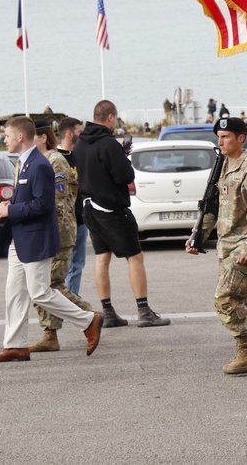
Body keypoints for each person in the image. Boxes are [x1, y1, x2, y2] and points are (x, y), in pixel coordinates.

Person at [0, 116, 101, 362]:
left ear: (20, 137)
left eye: (7, 136)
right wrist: (12, 203)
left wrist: (11, 210)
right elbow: (31, 199)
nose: (3, 139)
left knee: (39, 292)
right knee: (14, 292)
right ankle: (15, 345)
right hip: (20, 239)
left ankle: (89, 320)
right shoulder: (25, 162)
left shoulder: (41, 164)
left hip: (36, 239)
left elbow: (43, 204)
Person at [75, 100, 171, 328]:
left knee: (102, 258)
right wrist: (123, 156)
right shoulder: (108, 143)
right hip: (111, 208)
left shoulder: (80, 143)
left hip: (89, 206)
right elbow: (124, 176)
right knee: (135, 257)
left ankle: (107, 311)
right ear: (110, 117)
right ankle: (144, 310)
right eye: (115, 118)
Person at [186, 118, 247, 374]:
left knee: (225, 300)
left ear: (241, 138)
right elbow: (212, 206)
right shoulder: (222, 165)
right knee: (239, 301)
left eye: (226, 137)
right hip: (225, 243)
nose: (220, 142)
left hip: (243, 243)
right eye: (219, 137)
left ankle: (245, 350)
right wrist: (197, 235)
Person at [27, 121, 93, 352]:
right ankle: (50, 334)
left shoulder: (55, 162)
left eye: (30, 136)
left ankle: (90, 316)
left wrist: (51, 235)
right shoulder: (35, 161)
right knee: (45, 285)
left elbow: (60, 204)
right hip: (44, 233)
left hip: (58, 233)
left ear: (43, 138)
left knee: (51, 284)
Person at [56, 117, 89, 297]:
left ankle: (72, 299)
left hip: (80, 218)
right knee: (61, 264)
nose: (82, 134)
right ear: (70, 133)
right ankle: (63, 301)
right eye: (79, 131)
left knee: (77, 264)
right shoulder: (55, 158)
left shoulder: (81, 155)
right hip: (62, 220)